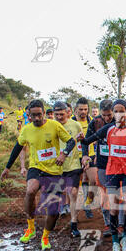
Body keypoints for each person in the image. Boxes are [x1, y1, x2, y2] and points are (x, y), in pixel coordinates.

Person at [1, 99, 76, 250]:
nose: (36, 118)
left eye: (39, 115)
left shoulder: (54, 125)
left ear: (44, 113)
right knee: (30, 191)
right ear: (28, 114)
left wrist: (64, 154)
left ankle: (45, 237)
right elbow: (17, 147)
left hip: (54, 170)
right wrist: (7, 167)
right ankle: (31, 228)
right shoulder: (27, 130)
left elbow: (71, 142)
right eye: (33, 115)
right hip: (36, 167)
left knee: (53, 210)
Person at [80, 99, 126, 251]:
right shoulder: (108, 129)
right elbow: (88, 140)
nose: (119, 114)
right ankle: (115, 243)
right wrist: (81, 141)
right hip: (112, 171)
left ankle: (125, 238)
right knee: (113, 207)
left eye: (122, 111)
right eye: (116, 111)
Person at [81, 99, 115, 238]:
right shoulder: (95, 122)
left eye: (109, 115)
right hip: (101, 161)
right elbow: (86, 140)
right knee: (104, 193)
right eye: (104, 115)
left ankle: (119, 224)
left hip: (118, 163)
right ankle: (108, 223)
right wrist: (84, 155)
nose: (107, 118)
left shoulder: (120, 123)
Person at [53, 101, 83, 238]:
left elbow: (83, 141)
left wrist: (85, 157)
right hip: (55, 166)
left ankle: (74, 224)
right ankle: (52, 220)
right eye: (56, 114)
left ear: (68, 113)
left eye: (61, 114)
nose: (59, 117)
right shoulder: (51, 126)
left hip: (73, 164)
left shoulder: (75, 125)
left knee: (73, 193)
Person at [74, 97, 96, 219]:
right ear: (76, 110)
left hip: (89, 154)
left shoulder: (91, 121)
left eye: (85, 109)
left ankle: (87, 203)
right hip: (74, 156)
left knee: (93, 181)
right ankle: (71, 211)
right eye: (81, 109)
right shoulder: (71, 122)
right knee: (76, 183)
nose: (83, 112)